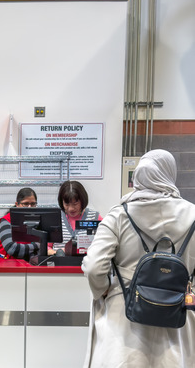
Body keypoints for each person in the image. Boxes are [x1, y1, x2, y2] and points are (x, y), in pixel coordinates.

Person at [81, 149, 195, 367]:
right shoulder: (193, 215)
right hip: (178, 323)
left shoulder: (119, 215)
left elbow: (94, 267)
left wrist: (103, 289)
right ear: (170, 173)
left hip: (124, 325)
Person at [0, 187, 40, 260]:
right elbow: (12, 249)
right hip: (8, 267)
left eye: (33, 204)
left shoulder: (37, 221)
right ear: (17, 204)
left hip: (30, 266)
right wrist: (37, 246)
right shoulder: (6, 221)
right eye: (25, 204)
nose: (29, 207)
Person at [57, 180, 101, 244]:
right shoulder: (56, 218)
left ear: (82, 201)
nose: (71, 209)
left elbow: (104, 243)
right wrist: (58, 252)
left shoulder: (94, 217)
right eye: (67, 204)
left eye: (75, 204)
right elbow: (47, 246)